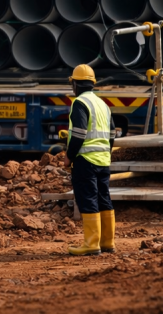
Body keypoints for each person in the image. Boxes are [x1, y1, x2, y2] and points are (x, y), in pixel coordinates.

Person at [66, 64, 115, 257]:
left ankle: (91, 244)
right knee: (104, 198)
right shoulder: (103, 104)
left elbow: (78, 133)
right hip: (103, 160)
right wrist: (106, 153)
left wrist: (69, 156)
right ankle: (107, 242)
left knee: (88, 199)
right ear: (92, 83)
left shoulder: (80, 103)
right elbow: (112, 133)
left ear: (75, 84)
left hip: (85, 160)